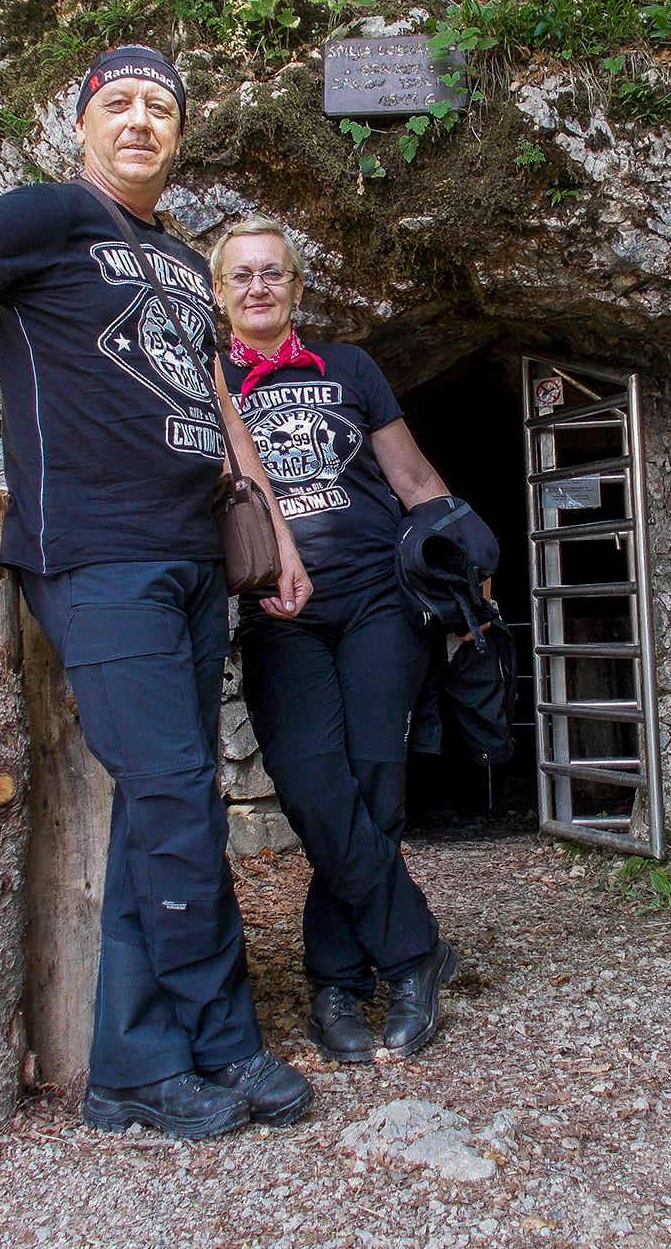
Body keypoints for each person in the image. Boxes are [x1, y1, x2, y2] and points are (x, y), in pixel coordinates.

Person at [0, 47, 319, 1138]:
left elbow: (216, 399)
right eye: (120, 104)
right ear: (85, 126)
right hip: (97, 557)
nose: (141, 121)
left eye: (161, 107)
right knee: (176, 792)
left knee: (163, 802)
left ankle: (133, 1067)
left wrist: (273, 525)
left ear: (179, 133)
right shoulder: (50, 216)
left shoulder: (176, 257)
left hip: (193, 555)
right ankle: (224, 1041)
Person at [208, 216, 462, 1060]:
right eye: (241, 275)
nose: (257, 286)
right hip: (278, 611)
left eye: (272, 272)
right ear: (218, 292)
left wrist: (465, 562)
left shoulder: (350, 367)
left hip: (379, 599)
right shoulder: (204, 382)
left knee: (374, 790)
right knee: (316, 788)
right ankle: (416, 950)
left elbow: (412, 477)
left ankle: (338, 985)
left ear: (297, 287)